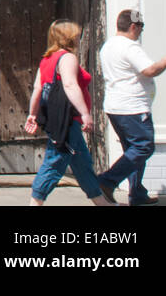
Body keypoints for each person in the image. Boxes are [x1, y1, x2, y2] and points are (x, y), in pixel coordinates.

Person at [23, 20, 115, 206]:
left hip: (58, 118)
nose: (78, 38)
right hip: (67, 119)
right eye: (76, 34)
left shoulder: (47, 59)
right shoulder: (67, 58)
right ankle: (35, 202)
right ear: (69, 37)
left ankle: (101, 202)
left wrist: (32, 114)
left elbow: (37, 89)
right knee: (55, 159)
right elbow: (70, 85)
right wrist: (85, 114)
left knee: (82, 163)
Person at [96, 8, 166, 205]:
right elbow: (148, 70)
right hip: (133, 108)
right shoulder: (130, 47)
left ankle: (137, 193)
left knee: (132, 150)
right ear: (133, 26)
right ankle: (106, 181)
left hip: (116, 107)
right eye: (141, 27)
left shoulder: (108, 46)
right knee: (143, 147)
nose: (141, 31)